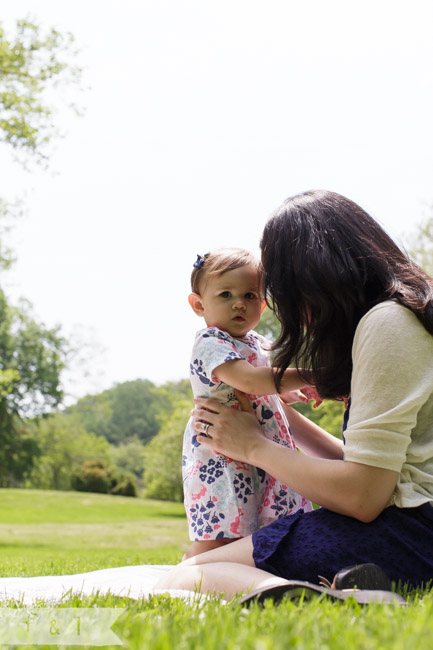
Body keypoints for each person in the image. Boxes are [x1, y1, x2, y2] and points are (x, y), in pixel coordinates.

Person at [155, 189, 433, 599]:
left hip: (409, 531)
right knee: (205, 565)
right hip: (414, 525)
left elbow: (362, 495)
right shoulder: (407, 315)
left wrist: (253, 447)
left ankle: (311, 597)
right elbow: (375, 466)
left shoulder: (386, 324)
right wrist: (271, 417)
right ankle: (359, 585)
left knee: (186, 576)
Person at [183, 248, 315, 559]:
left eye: (250, 295)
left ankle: (241, 573)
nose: (239, 303)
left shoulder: (257, 343)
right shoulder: (211, 343)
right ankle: (189, 572)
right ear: (198, 304)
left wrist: (288, 394)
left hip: (261, 450)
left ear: (263, 303)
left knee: (265, 528)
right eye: (226, 294)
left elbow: (263, 387)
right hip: (223, 457)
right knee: (225, 532)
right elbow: (251, 380)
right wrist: (311, 376)